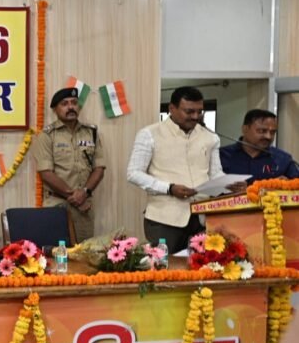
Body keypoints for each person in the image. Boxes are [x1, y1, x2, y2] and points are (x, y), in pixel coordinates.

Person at [127, 86, 238, 251]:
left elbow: (215, 173)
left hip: (202, 217)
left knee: (202, 264)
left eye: (199, 112)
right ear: (172, 108)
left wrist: (229, 184)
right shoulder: (150, 134)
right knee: (165, 265)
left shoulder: (210, 137)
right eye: (189, 111)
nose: (195, 117)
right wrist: (169, 188)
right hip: (164, 219)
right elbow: (133, 173)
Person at [32, 87, 106, 242]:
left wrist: (84, 193)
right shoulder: (47, 135)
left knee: (84, 251)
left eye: (74, 103)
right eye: (64, 104)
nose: (71, 107)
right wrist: (74, 197)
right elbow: (46, 173)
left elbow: (99, 168)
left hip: (84, 206)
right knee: (56, 251)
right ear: (55, 109)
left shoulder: (91, 132)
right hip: (57, 205)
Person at [219, 109, 299, 184]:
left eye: (272, 132)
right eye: (262, 131)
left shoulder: (283, 159)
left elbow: (296, 185)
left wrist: (286, 185)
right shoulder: (222, 155)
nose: (268, 136)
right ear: (245, 129)